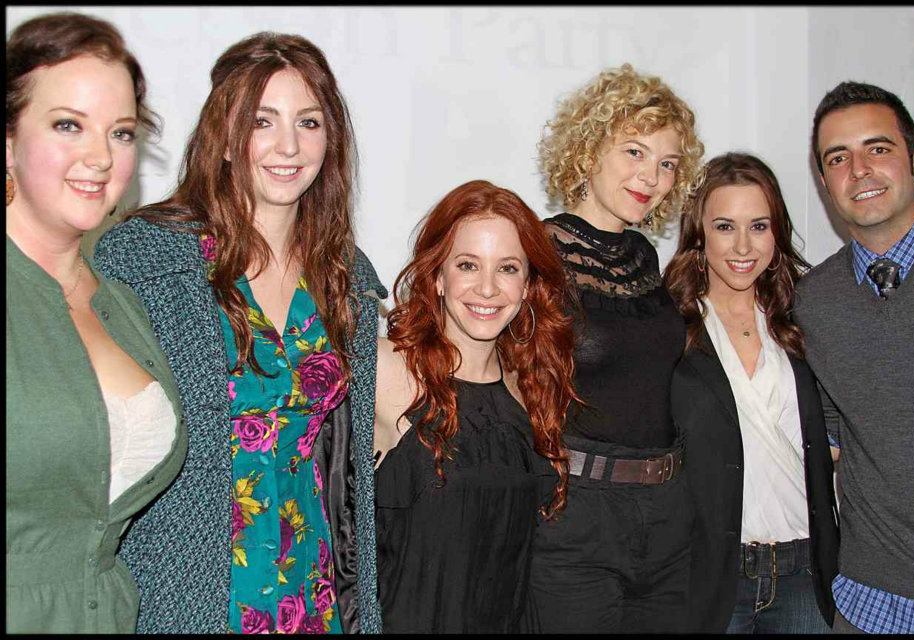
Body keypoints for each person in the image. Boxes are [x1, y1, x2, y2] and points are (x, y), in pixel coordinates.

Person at [94, 32, 386, 634]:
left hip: (315, 589)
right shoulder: (146, 259)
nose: (289, 146)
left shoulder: (347, 275)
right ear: (225, 138)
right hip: (185, 588)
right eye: (263, 120)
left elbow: (349, 469)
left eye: (309, 122)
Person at [5, 12, 187, 634]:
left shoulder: (124, 307)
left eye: (122, 132)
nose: (100, 157)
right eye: (67, 125)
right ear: (7, 140)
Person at [527, 63, 705, 633]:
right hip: (578, 514)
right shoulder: (540, 252)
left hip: (668, 511)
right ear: (588, 149)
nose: (651, 176)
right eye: (634, 151)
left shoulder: (645, 259)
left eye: (667, 163)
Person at [373, 179, 579, 633]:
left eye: (507, 268)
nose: (487, 289)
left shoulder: (530, 388)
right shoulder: (389, 372)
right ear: (438, 276)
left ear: (528, 286)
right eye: (468, 265)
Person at [795, 81, 914, 634]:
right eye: (839, 157)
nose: (859, 170)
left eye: (877, 148)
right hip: (870, 606)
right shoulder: (812, 301)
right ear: (824, 182)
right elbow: (831, 440)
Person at [663, 152, 839, 633]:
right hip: (712, 577)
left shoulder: (805, 318)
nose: (743, 245)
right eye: (724, 226)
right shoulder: (668, 326)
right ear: (700, 234)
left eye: (758, 226)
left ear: (776, 232)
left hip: (805, 573)